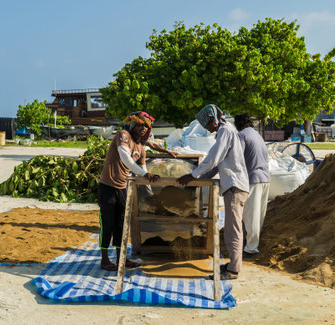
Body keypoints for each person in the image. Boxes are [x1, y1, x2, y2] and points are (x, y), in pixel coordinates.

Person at [177, 104, 249, 280]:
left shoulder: (225, 131)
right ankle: (233, 265)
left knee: (233, 230)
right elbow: (218, 164)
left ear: (212, 119)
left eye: (206, 124)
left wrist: (192, 174)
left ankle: (233, 270)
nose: (206, 129)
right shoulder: (225, 132)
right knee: (233, 230)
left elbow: (213, 158)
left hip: (235, 186)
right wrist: (198, 179)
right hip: (234, 185)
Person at [98, 111, 160, 271]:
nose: (143, 128)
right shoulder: (123, 136)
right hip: (108, 187)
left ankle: (121, 259)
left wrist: (152, 195)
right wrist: (145, 173)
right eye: (139, 125)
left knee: (122, 224)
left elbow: (144, 173)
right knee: (107, 224)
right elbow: (125, 158)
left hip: (123, 188)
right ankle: (104, 260)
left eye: (146, 126)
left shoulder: (141, 148)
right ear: (133, 125)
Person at [234, 114, 270, 258]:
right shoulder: (257, 135)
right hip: (265, 178)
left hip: (253, 179)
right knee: (258, 216)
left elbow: (237, 158)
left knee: (250, 216)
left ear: (238, 124)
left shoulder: (241, 136)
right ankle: (251, 242)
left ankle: (251, 248)